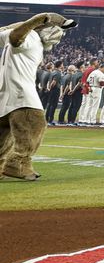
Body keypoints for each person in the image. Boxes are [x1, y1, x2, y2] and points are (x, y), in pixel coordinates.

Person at [0, 12, 73, 181]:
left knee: (4, 134)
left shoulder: (24, 35)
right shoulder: (32, 37)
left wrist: (23, 23)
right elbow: (16, 38)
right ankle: (17, 164)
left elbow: (9, 34)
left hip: (4, 95)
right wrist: (34, 22)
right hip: (21, 94)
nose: (57, 38)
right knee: (35, 124)